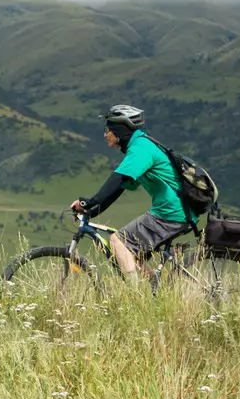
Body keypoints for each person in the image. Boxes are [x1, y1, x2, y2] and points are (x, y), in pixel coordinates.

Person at [69, 104, 190, 279]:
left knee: (118, 241)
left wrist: (87, 202)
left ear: (119, 130)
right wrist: (92, 211)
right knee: (130, 254)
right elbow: (119, 188)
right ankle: (152, 288)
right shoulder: (140, 146)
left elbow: (117, 179)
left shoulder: (141, 149)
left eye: (108, 130)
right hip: (175, 211)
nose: (105, 134)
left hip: (170, 213)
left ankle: (134, 294)